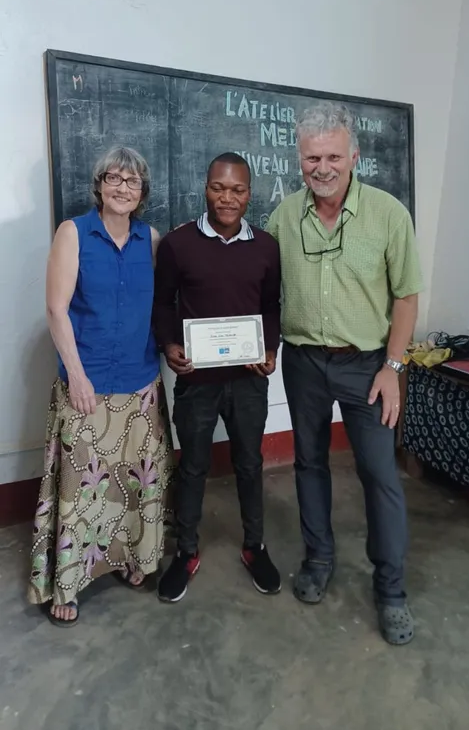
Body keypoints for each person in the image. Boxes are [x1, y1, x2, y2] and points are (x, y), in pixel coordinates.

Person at [267, 102, 423, 645]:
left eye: (334, 155)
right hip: (304, 361)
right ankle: (319, 559)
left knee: (380, 476)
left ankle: (391, 589)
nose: (323, 167)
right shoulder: (284, 216)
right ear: (299, 159)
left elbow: (405, 297)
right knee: (310, 464)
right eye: (313, 157)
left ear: (354, 156)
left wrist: (393, 367)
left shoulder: (387, 214)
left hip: (367, 367)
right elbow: (263, 288)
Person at [28, 147, 175, 627]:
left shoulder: (150, 239)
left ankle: (133, 557)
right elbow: (56, 309)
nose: (122, 187)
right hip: (87, 382)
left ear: (142, 191)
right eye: (114, 177)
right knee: (82, 491)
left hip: (139, 382)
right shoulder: (73, 233)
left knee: (134, 483)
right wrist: (78, 374)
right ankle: (68, 584)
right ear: (99, 184)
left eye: (132, 181)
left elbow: (162, 305)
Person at [153, 152, 281, 603]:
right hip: (197, 384)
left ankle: (255, 546)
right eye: (218, 188)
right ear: (204, 187)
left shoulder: (266, 246)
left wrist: (269, 348)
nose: (228, 198)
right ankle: (185, 553)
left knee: (249, 463)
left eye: (238, 190)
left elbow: (270, 307)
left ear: (250, 194)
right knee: (193, 467)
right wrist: (170, 347)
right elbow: (162, 304)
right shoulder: (177, 244)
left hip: (248, 380)